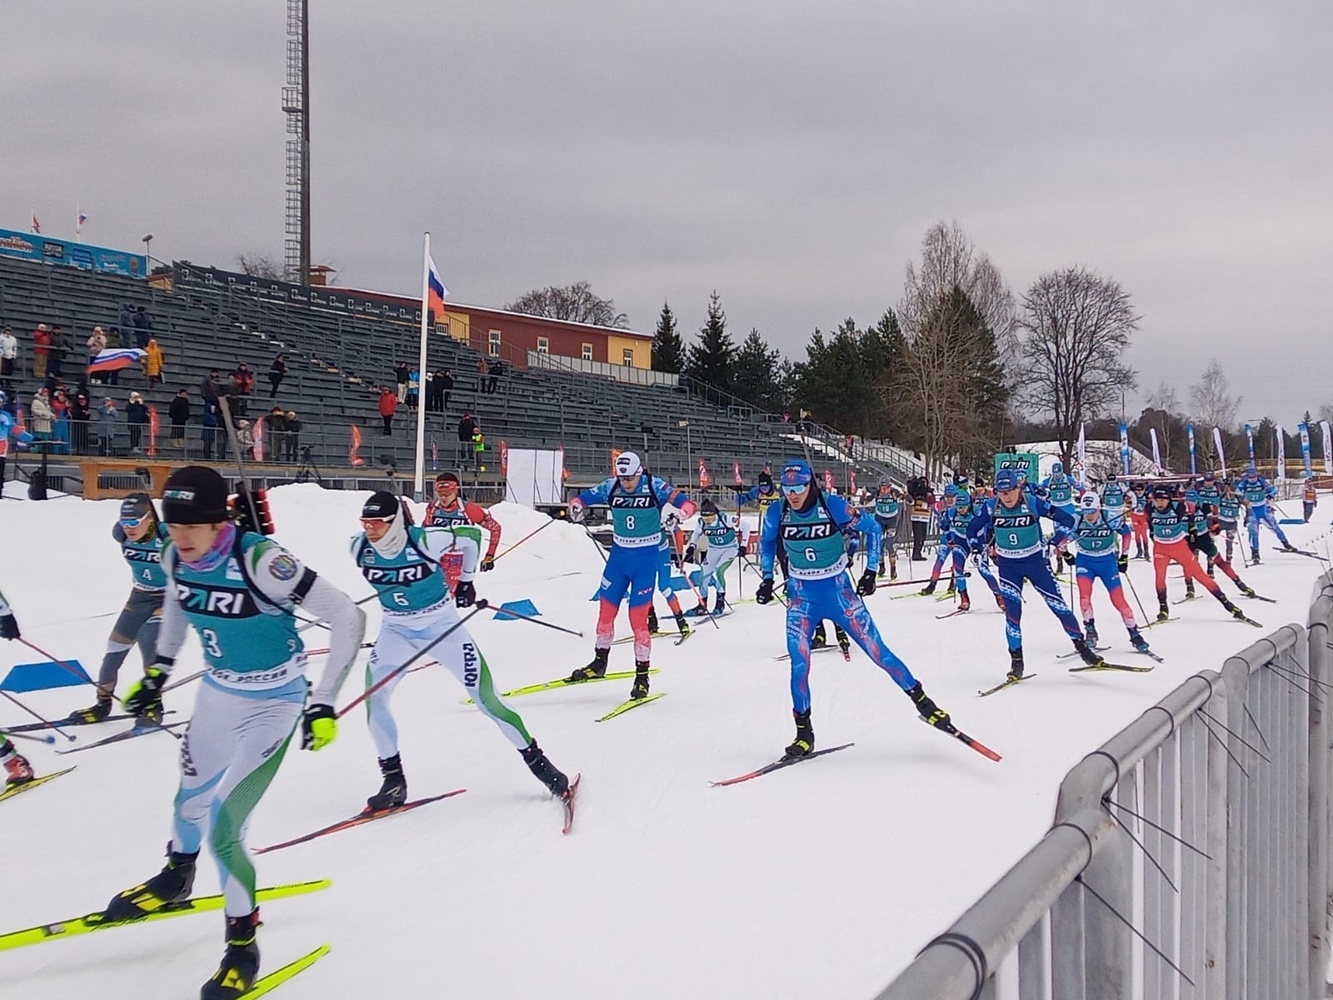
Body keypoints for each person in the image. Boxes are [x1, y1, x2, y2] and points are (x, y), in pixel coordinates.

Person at [104, 466, 365, 999]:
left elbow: (346, 616)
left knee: (226, 828)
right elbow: (176, 606)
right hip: (217, 696)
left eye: (191, 530)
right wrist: (158, 673)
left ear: (218, 520)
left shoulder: (261, 560)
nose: (181, 541)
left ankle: (242, 944)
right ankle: (177, 877)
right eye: (172, 529)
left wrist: (324, 702)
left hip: (275, 702)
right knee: (187, 802)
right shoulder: (174, 554)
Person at [352, 491, 571, 811]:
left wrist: (467, 581)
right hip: (396, 631)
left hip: (443, 629)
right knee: (375, 700)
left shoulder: (426, 540)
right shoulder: (358, 548)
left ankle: (543, 769)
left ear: (396, 522)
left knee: (489, 701)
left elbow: (469, 537)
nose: (369, 530)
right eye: (365, 522)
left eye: (377, 523)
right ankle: (393, 781)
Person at [755, 459, 956, 757]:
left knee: (879, 652)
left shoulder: (833, 506)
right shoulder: (778, 510)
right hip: (801, 598)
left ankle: (925, 704)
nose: (793, 494)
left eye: (799, 487)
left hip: (839, 594)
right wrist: (768, 577)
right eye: (787, 488)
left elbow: (873, 529)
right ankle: (804, 734)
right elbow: (768, 542)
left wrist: (871, 571)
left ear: (811, 484)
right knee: (799, 665)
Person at [566, 451, 696, 700]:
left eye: (629, 479)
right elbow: (583, 498)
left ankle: (642, 677)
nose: (625, 483)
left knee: (638, 620)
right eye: (621, 478)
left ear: (639, 472)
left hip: (645, 561)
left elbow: (688, 504)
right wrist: (577, 505)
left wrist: (681, 514)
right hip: (618, 559)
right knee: (605, 615)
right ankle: (599, 663)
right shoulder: (611, 485)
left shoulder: (653, 485)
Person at [967, 467, 1103, 682]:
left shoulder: (1033, 502)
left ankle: (1084, 650)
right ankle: (1016, 663)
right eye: (1001, 493)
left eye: (1010, 491)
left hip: (1035, 562)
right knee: (1013, 616)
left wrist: (1055, 542)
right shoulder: (991, 506)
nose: (1007, 497)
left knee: (1058, 606)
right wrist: (976, 549)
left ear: (1018, 487)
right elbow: (972, 529)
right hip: (1008, 566)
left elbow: (1068, 521)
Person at [67, 494, 171, 723]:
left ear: (150, 519)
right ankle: (102, 705)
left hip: (167, 599)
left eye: (134, 522)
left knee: (148, 641)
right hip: (138, 598)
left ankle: (154, 705)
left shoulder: (167, 535)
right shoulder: (120, 534)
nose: (129, 528)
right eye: (125, 522)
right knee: (112, 655)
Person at [1060, 491, 1150, 653]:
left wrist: (1123, 557)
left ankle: (1135, 634)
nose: (1089, 516)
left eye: (1092, 511)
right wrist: (1066, 554)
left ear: (1099, 508)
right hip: (1085, 562)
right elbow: (1063, 538)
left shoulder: (1110, 516)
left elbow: (1127, 534)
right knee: (1084, 598)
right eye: (1086, 511)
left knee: (1119, 600)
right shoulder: (1077, 518)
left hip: (1107, 562)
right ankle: (1090, 632)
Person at [1146, 485, 1248, 624]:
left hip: (1179, 546)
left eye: (1162, 500)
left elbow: (1192, 512)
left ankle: (1228, 605)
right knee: (1159, 578)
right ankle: (1163, 608)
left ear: (1169, 499)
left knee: (1200, 576)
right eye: (1156, 500)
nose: (1159, 503)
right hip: (1160, 548)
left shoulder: (1178, 507)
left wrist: (1203, 526)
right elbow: (1149, 523)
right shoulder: (1150, 508)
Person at [422, 472, 503, 581]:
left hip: (461, 566)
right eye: (440, 494)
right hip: (436, 563)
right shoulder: (432, 509)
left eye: (447, 494)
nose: (443, 498)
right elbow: (424, 533)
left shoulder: (469, 509)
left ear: (456, 491)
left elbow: (495, 528)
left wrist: (489, 556)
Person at [685, 498, 739, 615]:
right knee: (703, 575)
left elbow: (745, 526)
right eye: (705, 516)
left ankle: (720, 603)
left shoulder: (725, 519)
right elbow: (696, 534)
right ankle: (702, 603)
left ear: (715, 513)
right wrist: (692, 546)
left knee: (719, 570)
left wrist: (744, 544)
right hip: (713, 549)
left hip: (730, 548)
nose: (707, 519)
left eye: (710, 516)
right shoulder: (701, 522)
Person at [1237, 463, 1295, 562]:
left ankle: (1286, 543)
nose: (1252, 479)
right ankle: (1255, 552)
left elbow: (1273, 490)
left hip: (1263, 508)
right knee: (1254, 532)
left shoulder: (1261, 482)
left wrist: (1269, 496)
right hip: (1252, 510)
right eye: (1250, 476)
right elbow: (1237, 492)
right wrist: (1242, 500)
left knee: (1275, 527)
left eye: (1253, 476)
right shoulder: (1244, 483)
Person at [867, 483, 902, 579]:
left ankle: (893, 569)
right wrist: (863, 496)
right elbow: (864, 501)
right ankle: (881, 567)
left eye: (886, 488)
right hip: (880, 519)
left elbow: (911, 502)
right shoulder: (877, 493)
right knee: (880, 544)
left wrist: (906, 495)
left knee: (889, 544)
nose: (884, 491)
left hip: (891, 520)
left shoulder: (894, 492)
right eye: (882, 488)